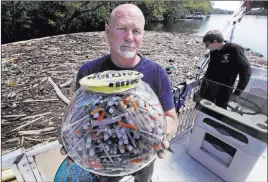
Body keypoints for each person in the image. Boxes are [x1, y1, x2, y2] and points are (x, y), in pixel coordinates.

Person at [60, 3, 178, 182]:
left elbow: (171, 118)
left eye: (136, 31)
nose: (129, 37)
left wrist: (161, 134)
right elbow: (78, 116)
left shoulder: (157, 72)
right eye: (122, 28)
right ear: (107, 31)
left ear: (143, 35)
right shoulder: (88, 71)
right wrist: (71, 139)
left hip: (143, 155)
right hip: (102, 158)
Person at [199, 30, 252, 109]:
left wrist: (237, 93)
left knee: (219, 111)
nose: (206, 47)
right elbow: (211, 68)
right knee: (205, 109)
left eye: (207, 45)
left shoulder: (235, 49)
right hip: (211, 87)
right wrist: (203, 83)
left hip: (225, 89)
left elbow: (246, 71)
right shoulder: (214, 51)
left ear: (215, 41)